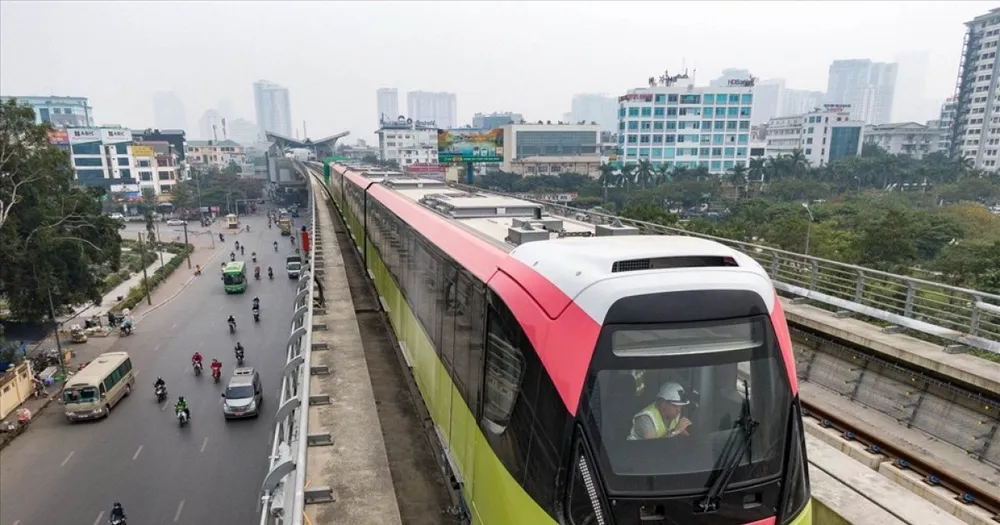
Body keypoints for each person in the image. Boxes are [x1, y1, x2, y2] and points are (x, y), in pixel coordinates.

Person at [628, 382, 693, 440]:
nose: (678, 410)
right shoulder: (646, 418)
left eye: (680, 406)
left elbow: (680, 431)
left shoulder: (674, 413)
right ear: (663, 403)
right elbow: (651, 447)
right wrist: (676, 431)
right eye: (675, 406)